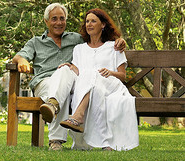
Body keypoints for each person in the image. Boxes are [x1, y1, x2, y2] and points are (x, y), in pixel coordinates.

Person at [12, 3, 125, 151]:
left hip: (72, 82)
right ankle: (56, 139)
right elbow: (19, 56)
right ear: (46, 21)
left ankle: (53, 108)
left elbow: (98, 42)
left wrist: (119, 40)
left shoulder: (76, 39)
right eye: (54, 19)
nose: (58, 22)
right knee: (60, 90)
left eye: (62, 18)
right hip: (45, 82)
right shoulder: (36, 42)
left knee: (66, 71)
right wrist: (21, 60)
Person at [59, 8, 139, 151]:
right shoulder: (79, 49)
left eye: (93, 21)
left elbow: (122, 76)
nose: (89, 24)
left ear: (103, 25)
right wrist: (69, 67)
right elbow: (77, 73)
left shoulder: (114, 46)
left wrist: (110, 72)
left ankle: (78, 116)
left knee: (95, 74)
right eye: (87, 21)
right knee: (90, 75)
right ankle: (104, 142)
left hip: (111, 86)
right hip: (89, 88)